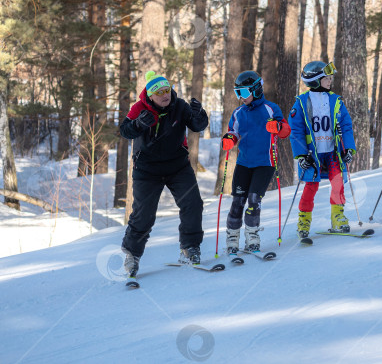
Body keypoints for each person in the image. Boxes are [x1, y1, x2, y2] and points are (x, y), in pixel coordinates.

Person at [119, 71, 209, 277]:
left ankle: (190, 247)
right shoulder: (139, 108)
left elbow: (198, 126)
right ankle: (132, 255)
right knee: (144, 214)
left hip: (178, 166)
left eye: (167, 90)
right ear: (150, 95)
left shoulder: (180, 106)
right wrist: (138, 124)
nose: (165, 95)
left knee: (193, 204)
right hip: (147, 170)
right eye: (159, 92)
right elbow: (125, 131)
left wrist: (199, 114)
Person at [221, 70, 291, 255]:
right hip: (244, 163)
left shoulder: (271, 108)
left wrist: (277, 127)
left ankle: (252, 237)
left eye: (244, 92)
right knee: (237, 201)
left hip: (265, 163)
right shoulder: (238, 112)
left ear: (256, 89)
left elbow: (285, 130)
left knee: (253, 200)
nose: (241, 97)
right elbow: (233, 132)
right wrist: (230, 139)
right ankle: (232, 239)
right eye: (238, 93)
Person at [288, 61, 356, 239]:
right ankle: (304, 220)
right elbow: (295, 131)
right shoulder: (301, 102)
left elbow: (346, 126)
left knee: (337, 182)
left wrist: (348, 148)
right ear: (315, 81)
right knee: (311, 186)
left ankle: (338, 217)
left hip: (332, 151)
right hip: (312, 154)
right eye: (326, 78)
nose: (330, 81)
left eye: (330, 78)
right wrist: (301, 155)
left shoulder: (335, 100)